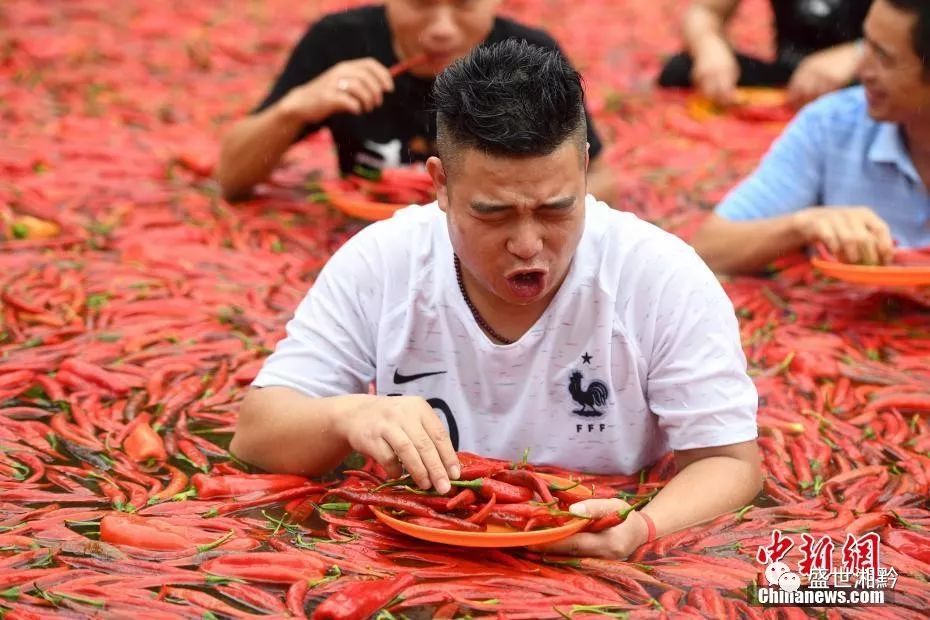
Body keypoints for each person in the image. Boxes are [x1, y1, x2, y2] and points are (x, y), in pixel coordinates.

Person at [231, 40, 761, 560]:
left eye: (555, 209)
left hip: (593, 551)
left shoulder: (660, 276)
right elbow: (256, 435)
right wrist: (348, 415)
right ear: (440, 183)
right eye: (493, 213)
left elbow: (729, 460)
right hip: (422, 544)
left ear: (583, 167)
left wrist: (643, 528)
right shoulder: (383, 261)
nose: (528, 245)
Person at [217, 1, 616, 204]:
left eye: (464, 4)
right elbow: (232, 179)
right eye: (421, 2)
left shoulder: (527, 57)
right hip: (362, 232)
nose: (441, 29)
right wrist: (296, 106)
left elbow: (597, 175)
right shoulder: (338, 43)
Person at [691, 0, 930, 275]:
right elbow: (708, 248)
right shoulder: (832, 124)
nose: (861, 70)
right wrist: (804, 225)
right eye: (865, 44)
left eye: (884, 57)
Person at [659, 0, 872, 107]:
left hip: (865, 80)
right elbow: (705, 11)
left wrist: (857, 52)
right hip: (790, 79)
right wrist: (710, 47)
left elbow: (904, 39)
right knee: (680, 70)